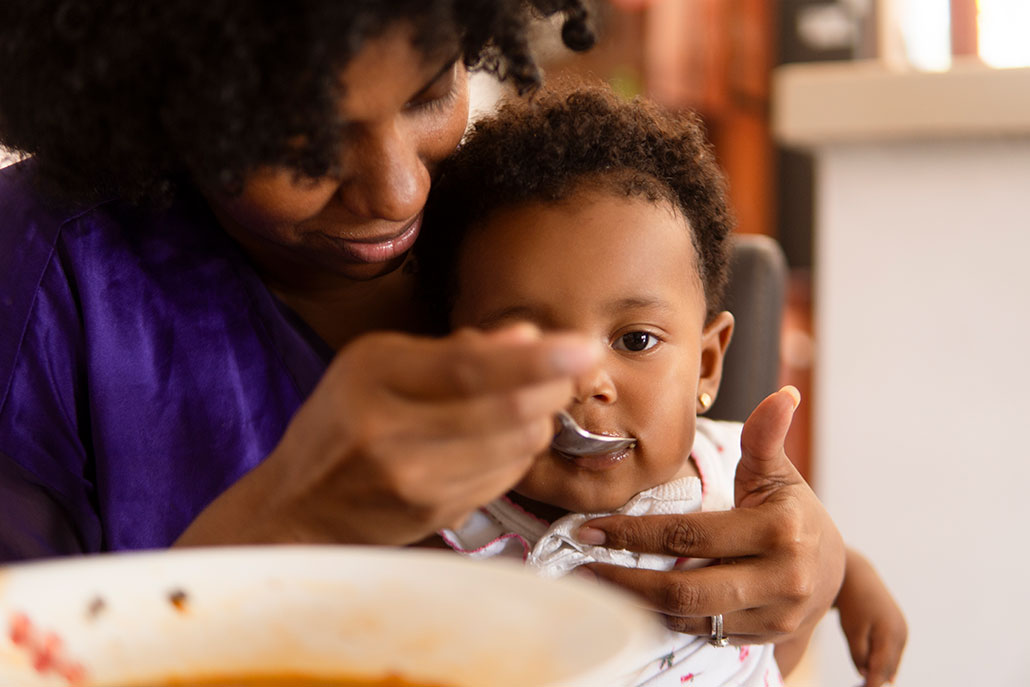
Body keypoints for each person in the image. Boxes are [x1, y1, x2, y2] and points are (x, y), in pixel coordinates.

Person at [0, 1, 849, 669]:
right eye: (302, 141)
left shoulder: (519, 222)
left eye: (430, 91)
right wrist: (291, 520)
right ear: (163, 102)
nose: (400, 192)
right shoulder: (45, 283)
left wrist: (813, 561)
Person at [415, 83, 906, 686]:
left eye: (635, 341)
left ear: (705, 365)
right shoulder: (436, 516)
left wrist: (850, 577)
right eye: (533, 346)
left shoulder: (739, 479)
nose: (588, 384)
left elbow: (801, 554)